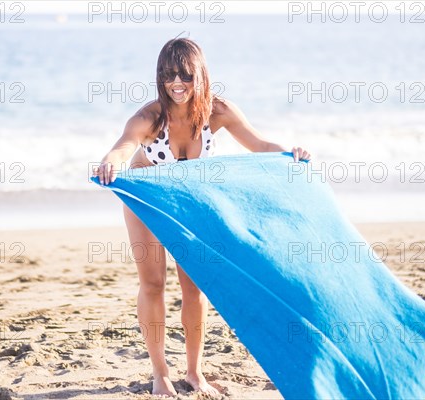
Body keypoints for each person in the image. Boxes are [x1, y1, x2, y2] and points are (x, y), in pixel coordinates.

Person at [93, 37, 311, 397]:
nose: (176, 84)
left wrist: (291, 152)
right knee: (153, 284)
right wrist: (110, 162)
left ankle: (194, 373)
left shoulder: (218, 111)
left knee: (194, 288)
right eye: (167, 76)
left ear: (200, 75)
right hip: (146, 200)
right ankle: (159, 373)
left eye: (185, 76)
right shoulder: (150, 117)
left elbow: (259, 145)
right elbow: (123, 147)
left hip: (190, 203)